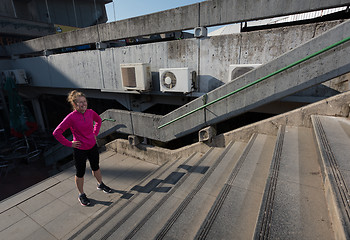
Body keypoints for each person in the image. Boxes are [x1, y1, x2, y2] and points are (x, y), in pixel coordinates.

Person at [53, 90, 111, 206]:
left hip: (92, 146)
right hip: (80, 149)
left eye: (84, 101)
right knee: (80, 173)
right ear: (74, 105)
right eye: (80, 102)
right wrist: (70, 143)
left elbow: (98, 120)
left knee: (96, 167)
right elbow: (56, 133)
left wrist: (95, 132)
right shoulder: (71, 117)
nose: (83, 104)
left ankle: (100, 184)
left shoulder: (90, 112)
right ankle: (81, 194)